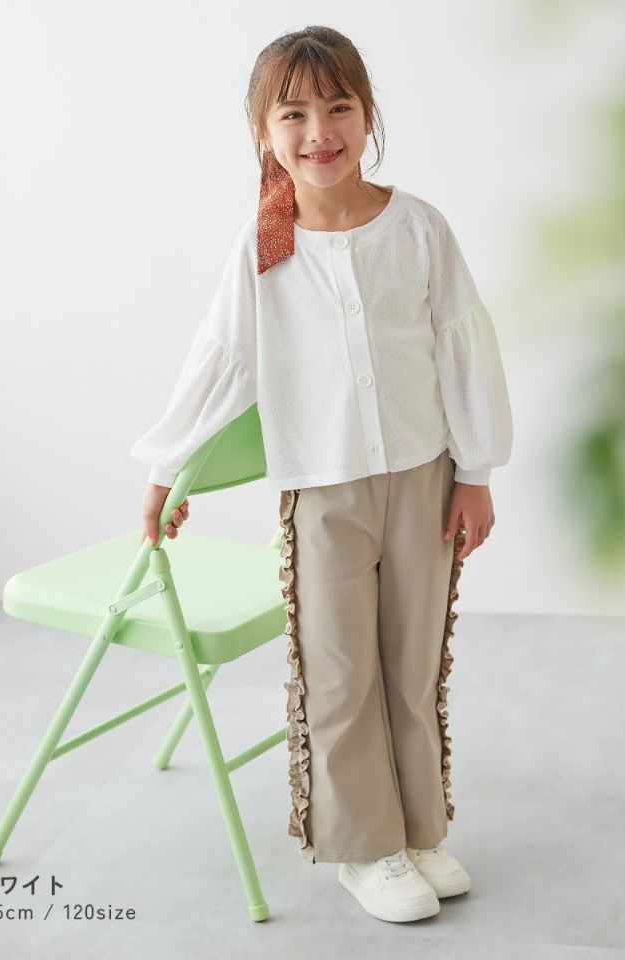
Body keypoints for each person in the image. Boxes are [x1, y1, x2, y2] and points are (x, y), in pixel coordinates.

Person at [132, 25, 513, 924]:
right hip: (324, 490)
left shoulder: (418, 228)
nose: (319, 132)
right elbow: (224, 360)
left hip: (424, 479)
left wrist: (477, 470)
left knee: (413, 665)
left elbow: (462, 345)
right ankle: (366, 846)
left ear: (367, 114)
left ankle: (418, 829)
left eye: (338, 107)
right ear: (263, 131)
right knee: (341, 674)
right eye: (293, 114)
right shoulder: (266, 244)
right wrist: (165, 467)